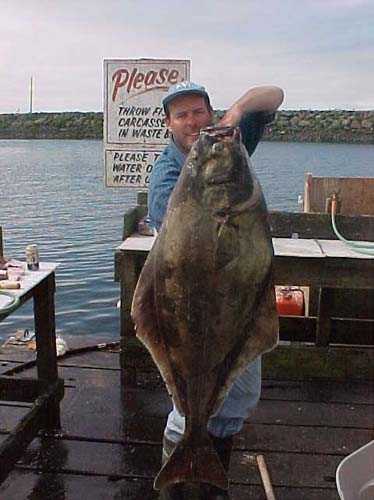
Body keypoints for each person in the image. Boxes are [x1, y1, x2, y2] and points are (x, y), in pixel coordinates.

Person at [148, 81, 284, 500]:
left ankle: (209, 479)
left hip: (237, 302)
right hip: (194, 309)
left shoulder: (229, 143)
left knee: (239, 399)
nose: (192, 121)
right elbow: (174, 235)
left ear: (210, 113)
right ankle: (179, 471)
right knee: (188, 402)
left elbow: (275, 95)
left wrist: (239, 110)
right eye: (181, 115)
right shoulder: (169, 176)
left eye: (198, 111)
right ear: (169, 124)